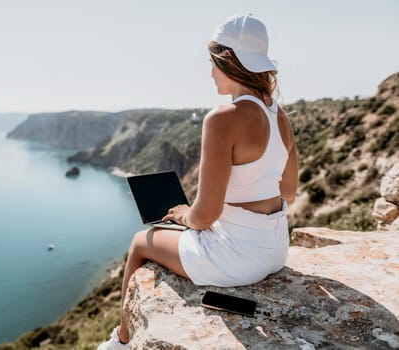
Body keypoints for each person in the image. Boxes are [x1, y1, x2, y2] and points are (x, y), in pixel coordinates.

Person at [98, 14, 298, 349]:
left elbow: (204, 217)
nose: (210, 73)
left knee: (140, 241)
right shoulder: (279, 116)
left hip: (238, 261)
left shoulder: (222, 119)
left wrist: (182, 215)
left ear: (228, 61)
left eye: (212, 63)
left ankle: (121, 340)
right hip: (276, 251)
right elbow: (288, 192)